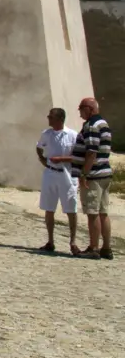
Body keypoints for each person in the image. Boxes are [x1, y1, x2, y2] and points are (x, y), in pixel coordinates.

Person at [73, 97, 113, 259]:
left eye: (81, 109)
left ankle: (93, 247)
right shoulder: (104, 123)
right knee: (103, 212)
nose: (80, 113)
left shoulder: (91, 125)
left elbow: (91, 152)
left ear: (89, 108)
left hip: (94, 175)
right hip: (105, 173)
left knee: (93, 213)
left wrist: (84, 174)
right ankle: (106, 248)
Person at [35, 107, 79, 254]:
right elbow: (39, 147)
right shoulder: (46, 134)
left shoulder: (72, 135)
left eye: (51, 117)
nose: (48, 119)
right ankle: (50, 241)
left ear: (60, 119)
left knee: (70, 208)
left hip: (67, 175)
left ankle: (73, 241)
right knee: (49, 208)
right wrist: (42, 159)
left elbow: (78, 156)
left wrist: (62, 159)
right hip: (50, 173)